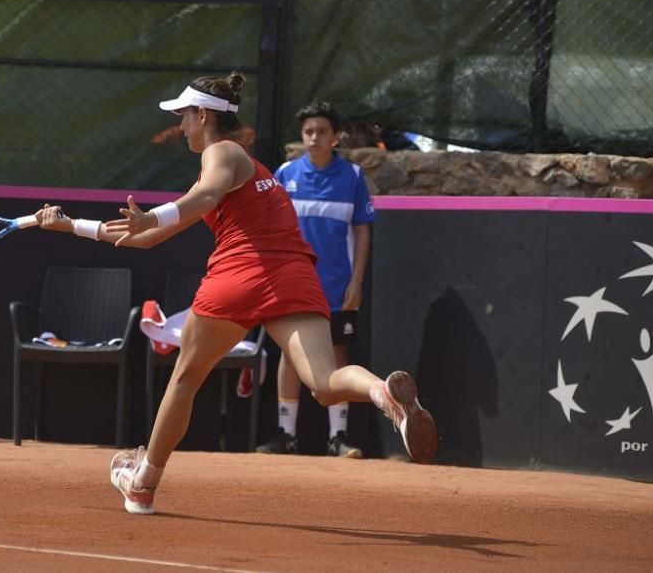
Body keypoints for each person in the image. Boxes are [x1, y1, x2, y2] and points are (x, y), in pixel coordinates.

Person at [34, 72, 438, 515]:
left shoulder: (221, 152)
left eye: (184, 117)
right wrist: (71, 225)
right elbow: (149, 235)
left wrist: (152, 217)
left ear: (203, 115)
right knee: (324, 383)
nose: (182, 127)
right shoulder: (247, 167)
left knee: (185, 379)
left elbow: (200, 198)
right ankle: (385, 395)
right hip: (293, 274)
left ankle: (143, 484)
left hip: (241, 274)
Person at [255, 101, 375, 459]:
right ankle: (285, 434)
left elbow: (362, 232)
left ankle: (338, 437)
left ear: (336, 137)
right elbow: (269, 227)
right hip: (292, 286)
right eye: (308, 132)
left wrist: (357, 281)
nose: (314, 138)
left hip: (338, 287)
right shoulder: (285, 173)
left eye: (322, 131)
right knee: (290, 357)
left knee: (337, 354)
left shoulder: (352, 177)